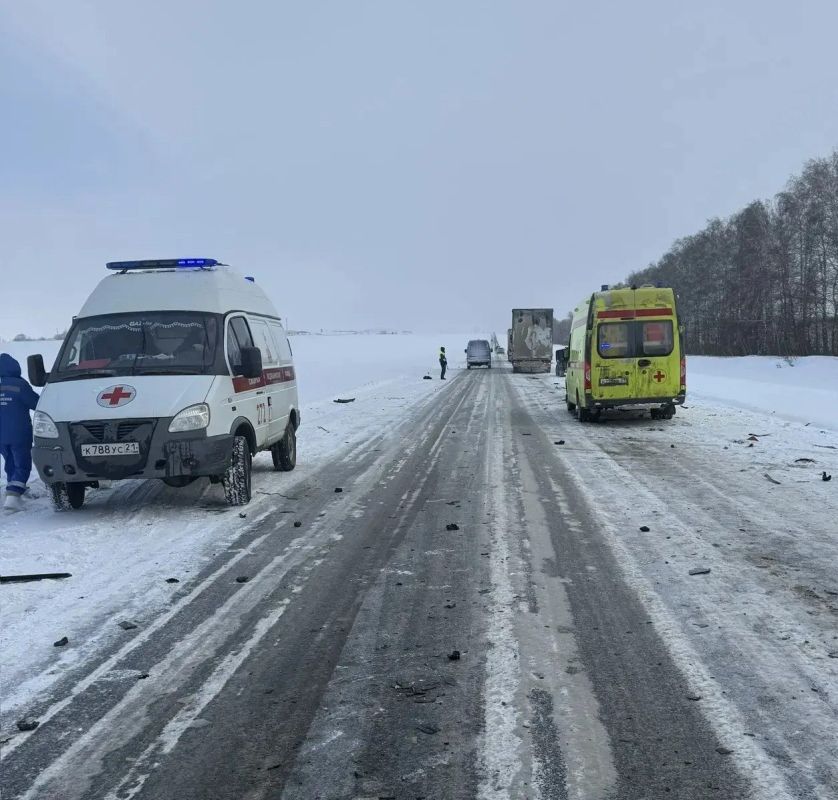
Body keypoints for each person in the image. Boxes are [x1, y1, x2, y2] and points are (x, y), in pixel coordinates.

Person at [0, 353, 40, 512]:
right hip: (19, 433)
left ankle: (15, 489)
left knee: (10, 462)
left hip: (1, 435)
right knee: (22, 464)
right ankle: (13, 498)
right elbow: (37, 403)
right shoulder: (20, 385)